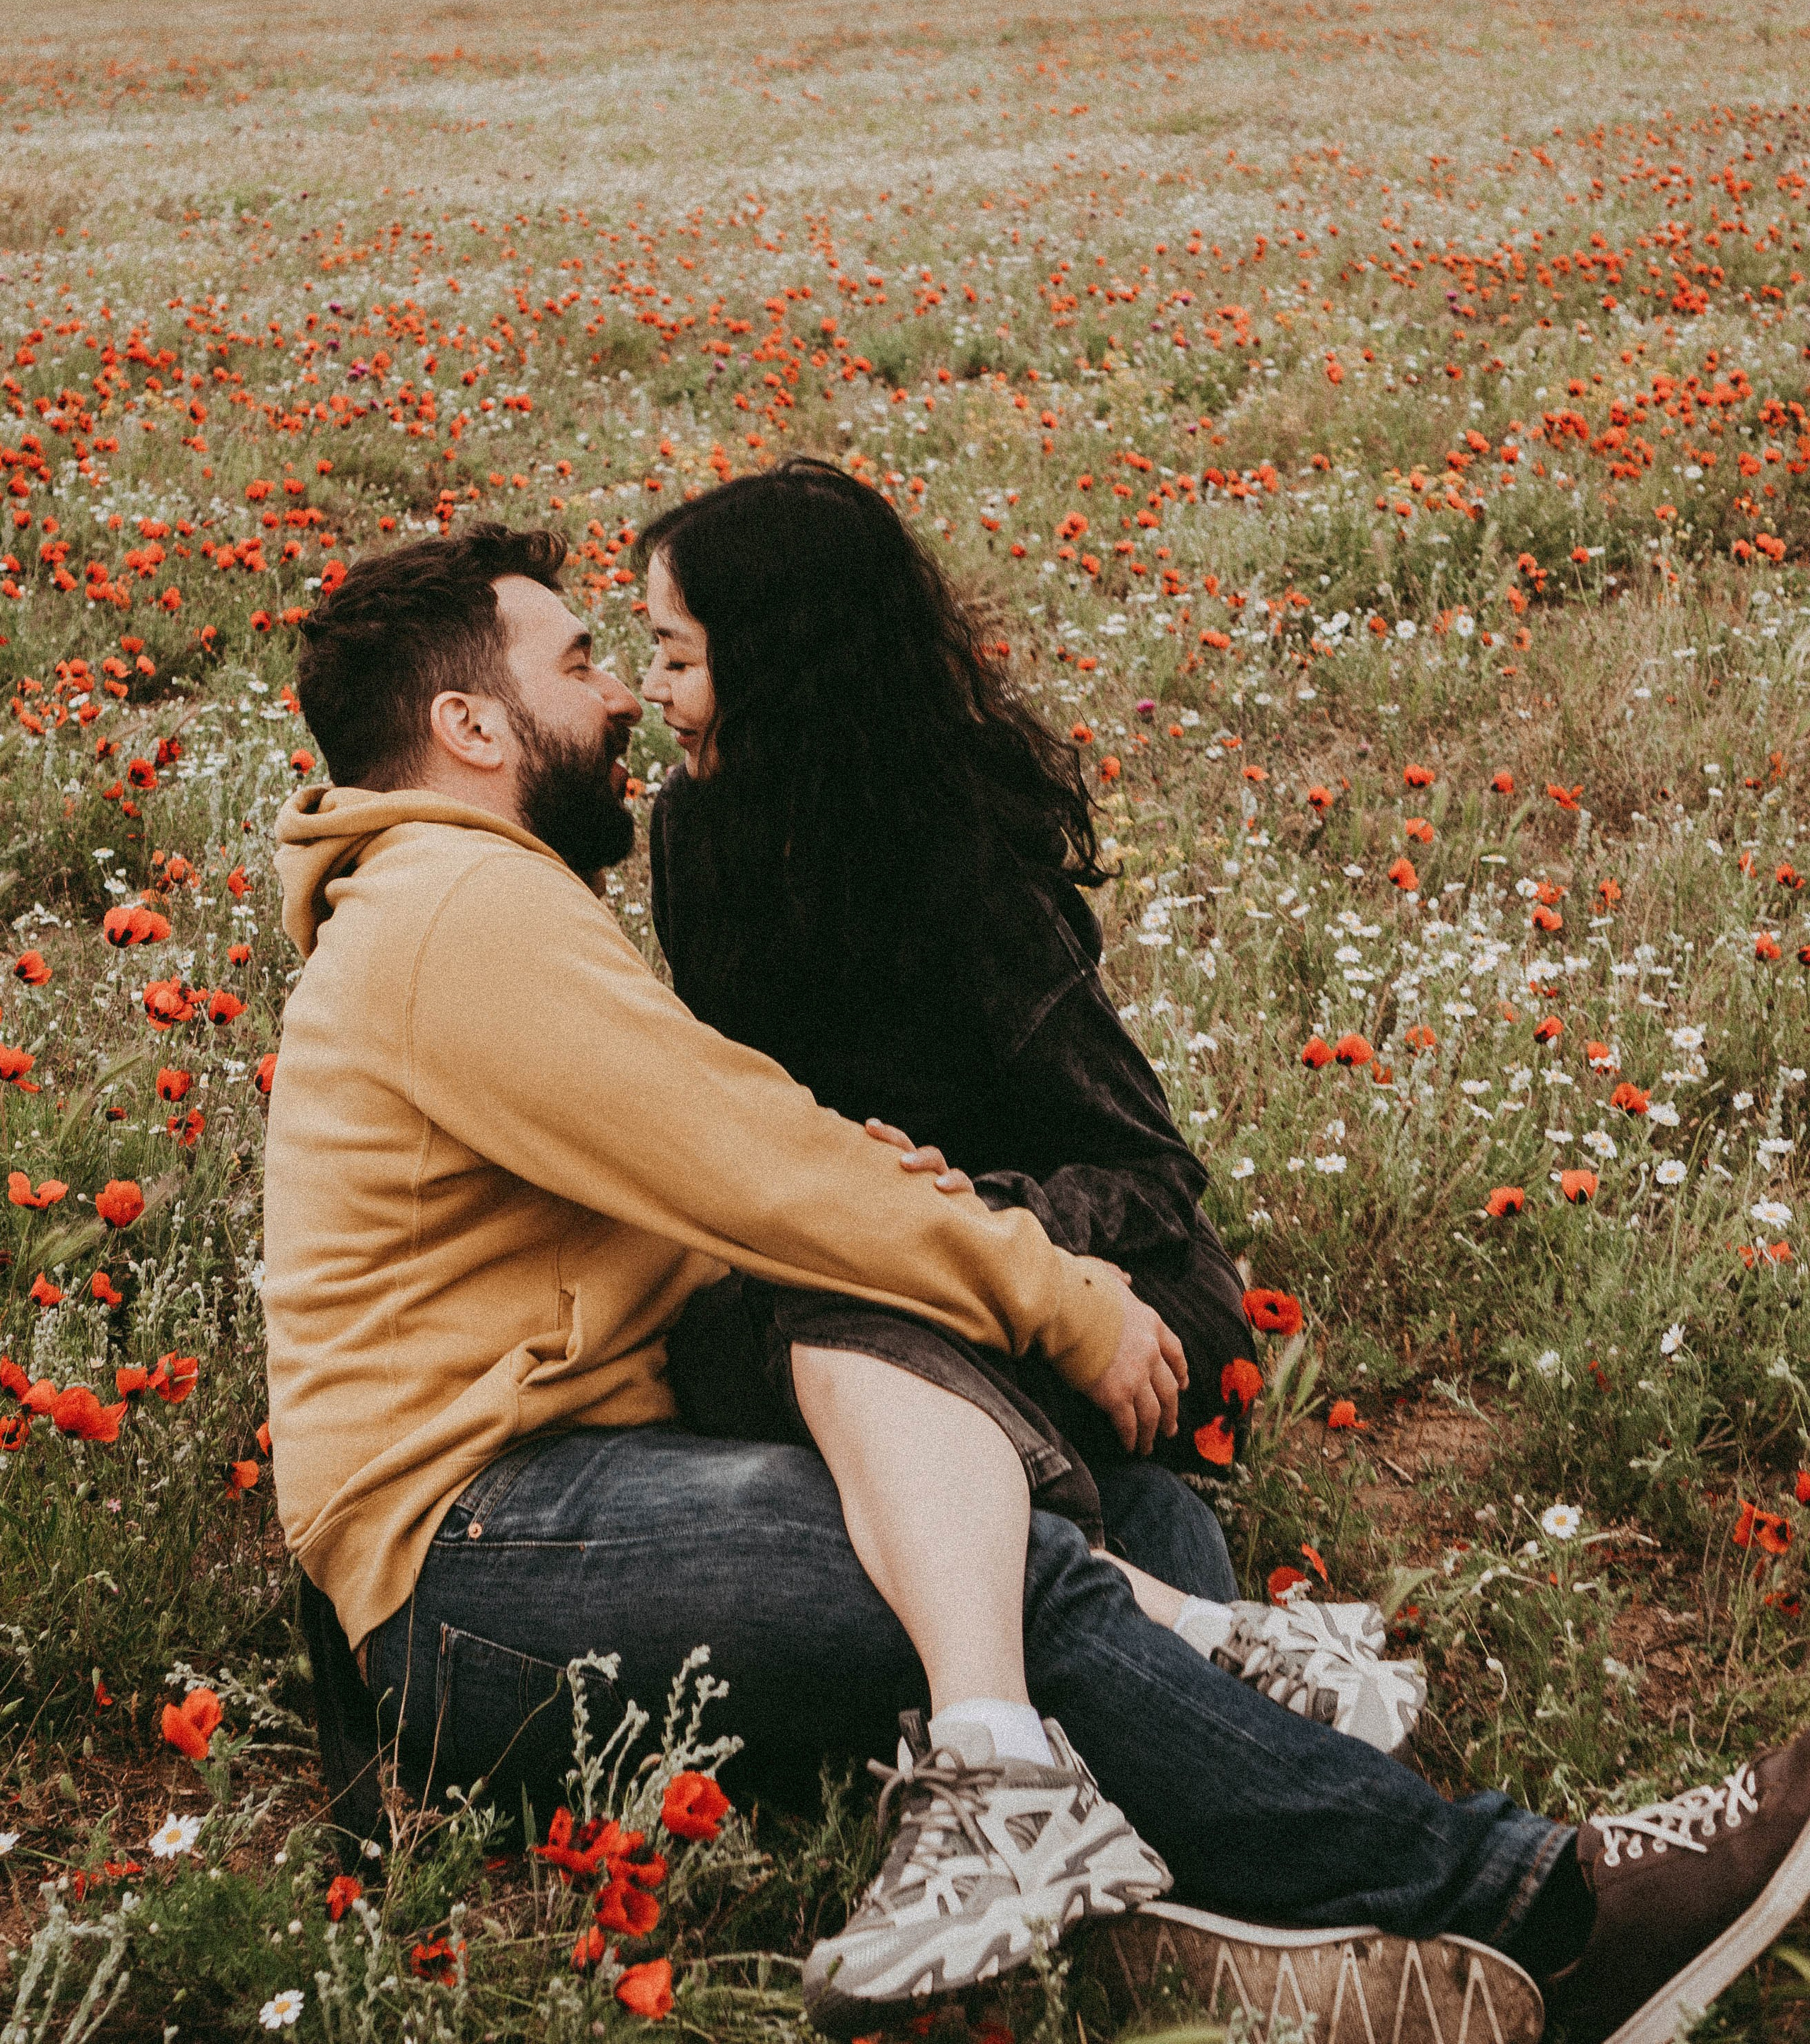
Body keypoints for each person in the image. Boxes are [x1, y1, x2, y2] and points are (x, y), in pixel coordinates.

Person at [267, 522, 1810, 2044]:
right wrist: (1052, 1291)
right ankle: (1535, 1911)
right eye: (585, 662)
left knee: (1121, 1517)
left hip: (582, 1484)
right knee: (987, 1573)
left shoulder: (474, 905)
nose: (618, 697)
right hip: (466, 1553)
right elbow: (759, 1171)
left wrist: (913, 1200)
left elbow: (726, 1168)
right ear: (470, 724)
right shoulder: (457, 914)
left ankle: (1180, 1915)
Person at [635, 457, 1424, 1758]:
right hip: (877, 1260)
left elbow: (1150, 1171)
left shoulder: (949, 855)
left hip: (1103, 1280)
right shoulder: (696, 837)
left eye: (677, 655)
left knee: (826, 1329)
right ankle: (1196, 1641)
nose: (651, 691)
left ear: (778, 664)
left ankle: (1049, 1709)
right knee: (725, 1348)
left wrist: (964, 1210)